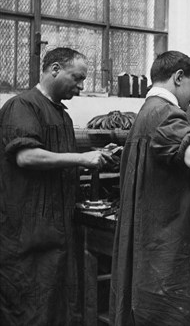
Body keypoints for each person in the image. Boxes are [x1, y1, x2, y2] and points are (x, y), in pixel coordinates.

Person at [110, 51, 190, 325]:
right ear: (179, 78)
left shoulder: (146, 112)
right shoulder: (166, 114)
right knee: (172, 313)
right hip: (167, 241)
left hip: (151, 234)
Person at [0, 47, 109, 325]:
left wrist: (92, 159)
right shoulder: (23, 106)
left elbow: (57, 163)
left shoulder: (62, 114)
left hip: (56, 231)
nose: (82, 86)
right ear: (55, 69)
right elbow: (26, 157)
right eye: (78, 78)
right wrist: (80, 157)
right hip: (26, 233)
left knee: (54, 309)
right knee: (25, 309)